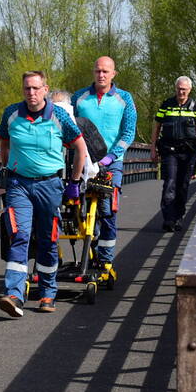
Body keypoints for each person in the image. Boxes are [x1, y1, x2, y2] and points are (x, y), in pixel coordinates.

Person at [0, 72, 88, 317]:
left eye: (36, 88)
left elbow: (80, 148)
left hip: (50, 185)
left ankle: (48, 292)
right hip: (19, 185)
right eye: (27, 88)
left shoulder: (58, 116)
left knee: (48, 239)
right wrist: (6, 168)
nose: (31, 93)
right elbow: (4, 142)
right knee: (20, 235)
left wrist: (74, 182)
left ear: (45, 89)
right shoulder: (11, 114)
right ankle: (14, 295)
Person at [71, 56, 138, 285]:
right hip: (83, 162)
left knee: (107, 209)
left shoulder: (124, 99)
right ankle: (90, 250)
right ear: (93, 72)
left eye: (106, 71)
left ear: (113, 74)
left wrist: (110, 157)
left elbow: (128, 133)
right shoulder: (79, 98)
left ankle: (106, 259)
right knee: (80, 211)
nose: (101, 75)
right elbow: (67, 126)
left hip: (112, 162)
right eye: (98, 70)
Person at [150, 76, 196, 232]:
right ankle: (168, 218)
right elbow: (156, 127)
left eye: (184, 89)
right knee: (169, 182)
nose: (181, 92)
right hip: (169, 150)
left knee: (182, 185)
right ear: (175, 88)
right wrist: (153, 148)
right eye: (179, 89)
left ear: (189, 90)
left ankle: (178, 217)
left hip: (188, 152)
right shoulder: (167, 105)